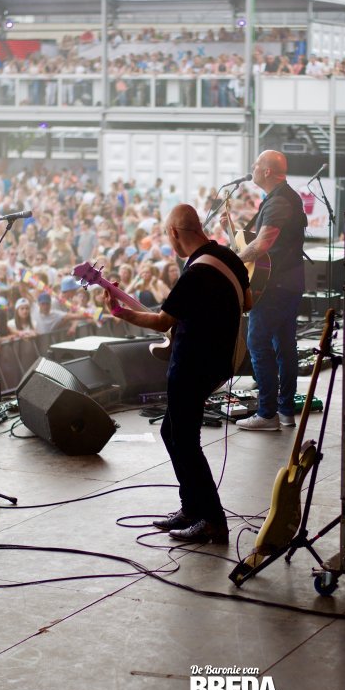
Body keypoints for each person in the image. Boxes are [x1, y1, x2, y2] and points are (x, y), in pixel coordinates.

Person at [108, 203, 250, 545]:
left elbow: (162, 321)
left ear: (174, 233)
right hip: (218, 361)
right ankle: (191, 509)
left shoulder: (195, 273)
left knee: (185, 440)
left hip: (191, 365)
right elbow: (247, 302)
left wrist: (121, 312)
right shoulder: (228, 257)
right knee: (172, 432)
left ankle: (213, 521)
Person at [230, 149, 305, 431]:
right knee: (284, 346)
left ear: (267, 171)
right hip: (289, 283)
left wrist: (234, 261)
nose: (252, 166)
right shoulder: (281, 197)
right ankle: (285, 411)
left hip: (276, 287)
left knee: (258, 343)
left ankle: (267, 414)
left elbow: (262, 244)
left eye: (257, 163)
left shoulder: (279, 201)